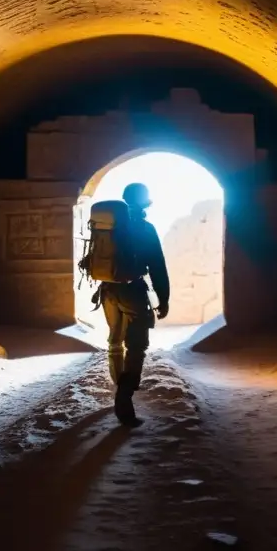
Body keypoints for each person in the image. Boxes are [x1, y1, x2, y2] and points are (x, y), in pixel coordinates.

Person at [98, 182, 169, 427]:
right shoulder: (145, 228)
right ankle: (124, 399)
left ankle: (119, 392)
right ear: (144, 202)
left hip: (107, 291)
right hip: (133, 291)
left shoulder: (107, 226)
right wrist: (163, 298)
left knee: (114, 343)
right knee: (136, 347)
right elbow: (157, 266)